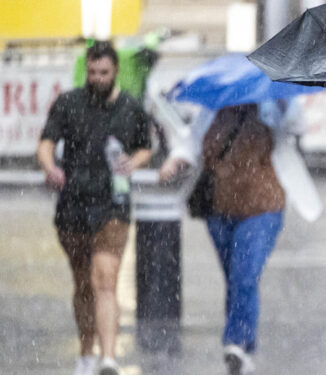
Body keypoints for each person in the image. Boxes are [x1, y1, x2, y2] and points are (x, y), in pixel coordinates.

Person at [37, 41, 152, 375]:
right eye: (92, 72)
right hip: (72, 205)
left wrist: (135, 162)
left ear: (115, 70)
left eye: (103, 72)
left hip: (112, 205)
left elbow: (146, 147)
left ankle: (108, 358)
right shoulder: (68, 103)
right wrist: (49, 167)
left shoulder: (131, 108)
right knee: (83, 283)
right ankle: (86, 352)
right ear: (86, 71)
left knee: (105, 279)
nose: (97, 78)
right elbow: (45, 144)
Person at [160, 103, 285, 375]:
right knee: (234, 278)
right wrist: (175, 160)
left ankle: (236, 343)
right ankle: (243, 348)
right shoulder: (212, 110)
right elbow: (191, 141)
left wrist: (281, 109)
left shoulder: (273, 106)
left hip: (263, 207)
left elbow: (293, 129)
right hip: (220, 207)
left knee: (245, 275)